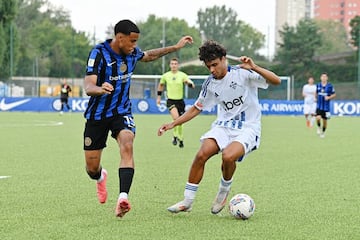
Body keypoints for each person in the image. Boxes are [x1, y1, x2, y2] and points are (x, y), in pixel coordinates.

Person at [83, 19, 193, 218]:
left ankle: (122, 197)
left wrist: (175, 47)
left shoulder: (132, 53)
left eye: (136, 42)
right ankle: (101, 177)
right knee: (91, 169)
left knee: (127, 143)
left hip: (122, 112)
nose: (135, 46)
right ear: (120, 38)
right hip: (97, 115)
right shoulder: (98, 53)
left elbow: (149, 55)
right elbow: (89, 86)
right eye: (132, 41)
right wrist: (100, 89)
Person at [157, 40, 281, 214]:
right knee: (202, 153)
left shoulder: (243, 73)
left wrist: (255, 66)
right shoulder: (210, 83)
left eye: (215, 64)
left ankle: (223, 192)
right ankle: (187, 201)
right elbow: (196, 108)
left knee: (228, 157)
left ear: (224, 59)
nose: (212, 70)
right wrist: (172, 123)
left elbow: (276, 81)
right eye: (209, 67)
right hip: (223, 126)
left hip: (248, 127)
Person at [156, 58, 195, 148]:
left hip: (180, 101)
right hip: (170, 101)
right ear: (170, 65)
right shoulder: (165, 76)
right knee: (176, 118)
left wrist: (190, 84)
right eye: (172, 64)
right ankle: (175, 136)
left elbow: (189, 82)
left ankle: (180, 138)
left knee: (180, 121)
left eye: (175, 64)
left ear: (178, 65)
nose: (174, 65)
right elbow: (161, 85)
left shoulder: (182, 75)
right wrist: (158, 97)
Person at [315, 72, 336, 138]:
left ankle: (323, 133)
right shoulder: (318, 85)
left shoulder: (330, 86)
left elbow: (334, 94)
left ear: (327, 78)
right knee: (318, 118)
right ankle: (318, 127)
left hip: (326, 107)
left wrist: (329, 97)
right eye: (322, 77)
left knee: (325, 121)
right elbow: (315, 93)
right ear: (320, 78)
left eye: (325, 77)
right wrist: (315, 98)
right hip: (319, 105)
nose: (323, 78)